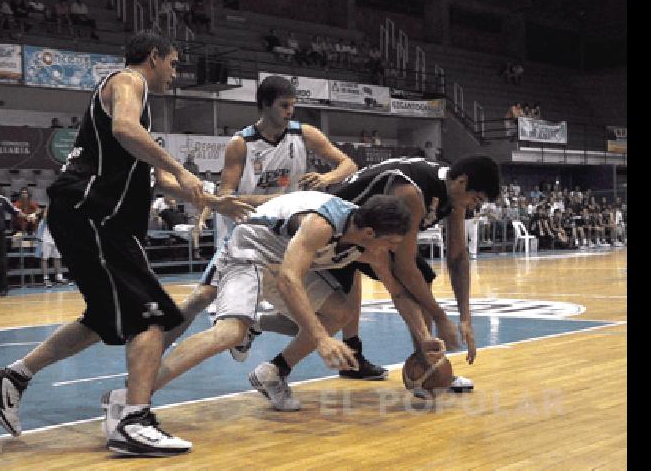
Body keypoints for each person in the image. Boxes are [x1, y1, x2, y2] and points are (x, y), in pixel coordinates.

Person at [0, 31, 254, 457]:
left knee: (105, 318)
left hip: (97, 220)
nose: (176, 75)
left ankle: (12, 377)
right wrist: (183, 168)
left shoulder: (138, 109)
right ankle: (132, 420)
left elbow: (157, 179)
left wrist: (215, 201)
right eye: (174, 64)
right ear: (154, 57)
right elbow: (126, 130)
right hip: (93, 214)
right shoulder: (129, 81)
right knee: (150, 317)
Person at [116, 192, 418, 414]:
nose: (392, 250)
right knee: (229, 331)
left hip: (283, 264)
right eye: (391, 243)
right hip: (252, 249)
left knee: (339, 312)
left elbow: (398, 292)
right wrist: (321, 339)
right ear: (369, 233)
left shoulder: (370, 245)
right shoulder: (321, 223)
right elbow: (289, 279)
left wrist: (426, 339)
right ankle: (133, 397)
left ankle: (273, 371)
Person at [161, 75, 384, 376]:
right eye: (284, 106)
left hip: (293, 233)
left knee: (327, 306)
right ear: (265, 106)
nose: (290, 111)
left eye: (293, 105)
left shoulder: (305, 134)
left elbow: (348, 164)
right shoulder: (241, 144)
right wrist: (277, 200)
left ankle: (322, 349)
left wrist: (327, 179)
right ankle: (154, 348)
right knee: (203, 296)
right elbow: (226, 195)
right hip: (250, 231)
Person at [252, 155, 500, 391]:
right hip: (338, 233)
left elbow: (457, 257)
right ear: (462, 182)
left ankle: (429, 367)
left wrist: (465, 318)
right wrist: (442, 317)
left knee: (334, 315)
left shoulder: (454, 196)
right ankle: (428, 367)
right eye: (476, 199)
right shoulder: (412, 192)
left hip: (367, 238)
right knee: (324, 316)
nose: (474, 206)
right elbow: (404, 267)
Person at [34, 206, 69, 287]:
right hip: (45, 239)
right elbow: (45, 216)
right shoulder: (44, 217)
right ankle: (46, 278)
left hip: (55, 239)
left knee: (57, 258)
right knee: (44, 259)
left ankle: (59, 277)